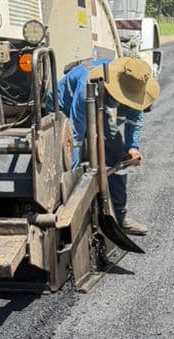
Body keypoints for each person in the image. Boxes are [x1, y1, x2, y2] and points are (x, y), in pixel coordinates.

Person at [56, 54, 158, 235]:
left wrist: (132, 147)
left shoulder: (131, 80)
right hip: (64, 105)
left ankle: (120, 217)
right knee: (66, 157)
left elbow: (135, 115)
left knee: (116, 151)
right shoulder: (86, 88)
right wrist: (75, 179)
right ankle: (73, 212)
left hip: (97, 102)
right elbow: (75, 138)